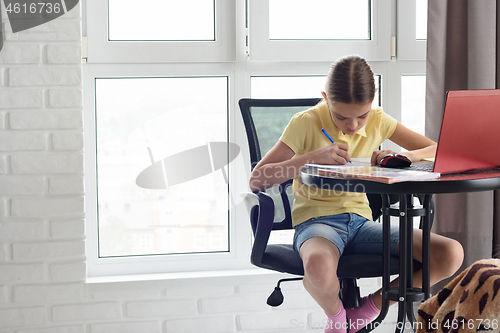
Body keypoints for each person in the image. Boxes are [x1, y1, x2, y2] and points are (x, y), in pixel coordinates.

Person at [248, 55, 464, 333]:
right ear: (325, 98)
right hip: (316, 224)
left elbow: (438, 148)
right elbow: (257, 180)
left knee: (450, 253)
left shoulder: (377, 120)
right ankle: (337, 319)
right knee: (318, 266)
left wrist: (403, 154)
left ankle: (368, 308)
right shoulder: (305, 122)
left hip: (362, 224)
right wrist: (311, 157)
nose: (353, 126)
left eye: (361, 116)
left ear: (373, 101)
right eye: (341, 117)